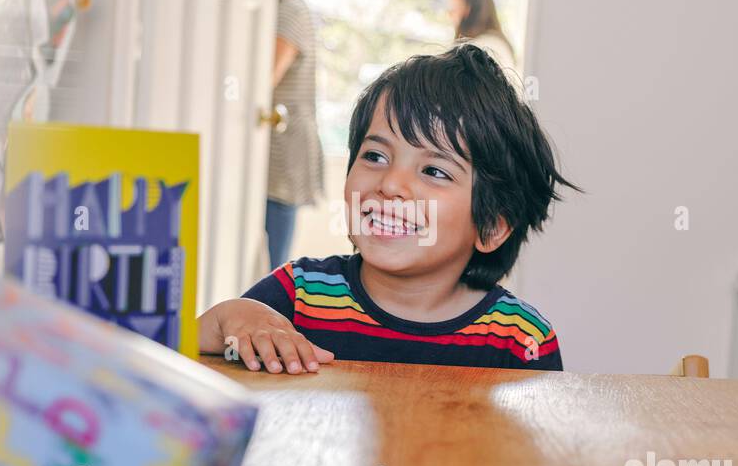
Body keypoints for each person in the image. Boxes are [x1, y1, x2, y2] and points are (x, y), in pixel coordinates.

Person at [198, 44, 579, 373]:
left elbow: (535, 449)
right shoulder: (300, 295)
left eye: (433, 170)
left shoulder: (519, 337)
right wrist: (233, 316)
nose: (391, 184)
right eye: (376, 155)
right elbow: (182, 351)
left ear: (492, 227)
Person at [264, 0, 324, 270]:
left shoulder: (289, 11)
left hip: (285, 141)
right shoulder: (281, 8)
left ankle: (271, 312)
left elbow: (266, 78)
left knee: (275, 247)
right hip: (275, 138)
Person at [449, 0, 516, 72]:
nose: (450, 11)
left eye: (455, 4)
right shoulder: (494, 42)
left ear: (469, 8)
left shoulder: (480, 48)